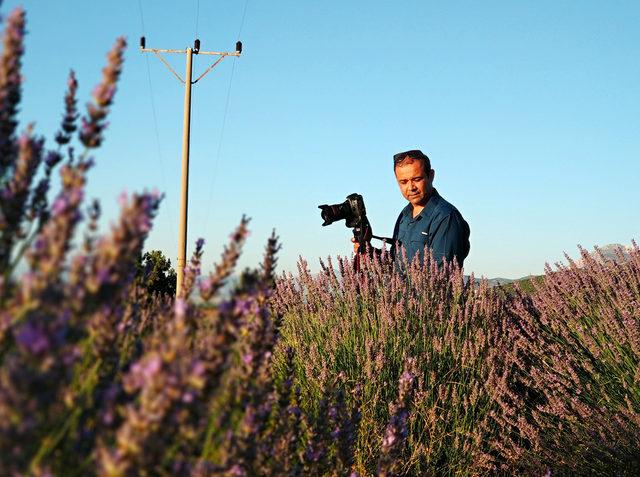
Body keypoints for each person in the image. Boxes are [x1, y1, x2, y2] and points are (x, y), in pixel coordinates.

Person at [353, 149, 470, 267]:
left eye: (417, 179)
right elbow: (397, 264)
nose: (411, 187)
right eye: (403, 182)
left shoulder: (446, 217)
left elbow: (442, 274)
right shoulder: (405, 215)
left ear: (431, 176)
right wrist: (369, 252)